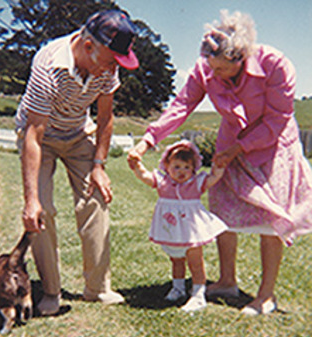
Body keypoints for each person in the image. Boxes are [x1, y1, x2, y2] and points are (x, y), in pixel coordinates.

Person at [127, 10, 312, 315]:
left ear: (242, 57)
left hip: (272, 146)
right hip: (230, 146)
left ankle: (266, 295)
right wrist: (149, 138)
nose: (216, 74)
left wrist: (240, 149)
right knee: (223, 212)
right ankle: (227, 280)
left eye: (223, 69)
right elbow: (182, 105)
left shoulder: (275, 65)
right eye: (212, 67)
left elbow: (277, 121)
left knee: (270, 216)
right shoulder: (207, 68)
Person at [15, 9, 139, 315]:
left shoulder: (107, 65)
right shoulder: (48, 64)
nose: (113, 69)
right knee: (43, 208)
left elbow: (106, 117)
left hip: (78, 133)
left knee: (97, 198)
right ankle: (51, 292)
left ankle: (97, 289)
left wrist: (99, 166)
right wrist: (31, 199)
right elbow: (34, 133)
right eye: (110, 61)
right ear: (87, 47)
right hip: (40, 135)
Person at [129, 140, 227, 312]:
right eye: (176, 167)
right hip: (172, 231)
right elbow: (145, 176)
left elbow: (213, 178)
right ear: (166, 166)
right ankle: (178, 288)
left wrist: (218, 167)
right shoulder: (163, 182)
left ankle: (198, 293)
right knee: (176, 260)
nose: (181, 172)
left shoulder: (196, 183)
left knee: (195, 261)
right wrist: (137, 166)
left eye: (187, 168)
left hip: (192, 231)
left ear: (194, 168)